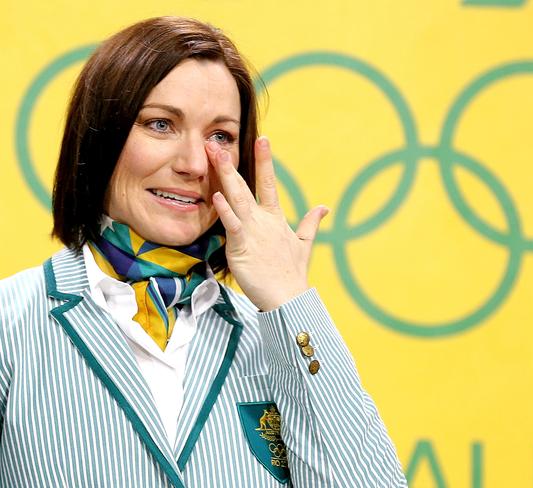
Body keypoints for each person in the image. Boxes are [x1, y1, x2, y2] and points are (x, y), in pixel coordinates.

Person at [0, 16, 407, 488]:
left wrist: (291, 301)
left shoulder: (275, 334)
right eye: (160, 124)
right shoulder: (12, 323)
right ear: (100, 137)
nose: (194, 164)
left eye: (221, 136)